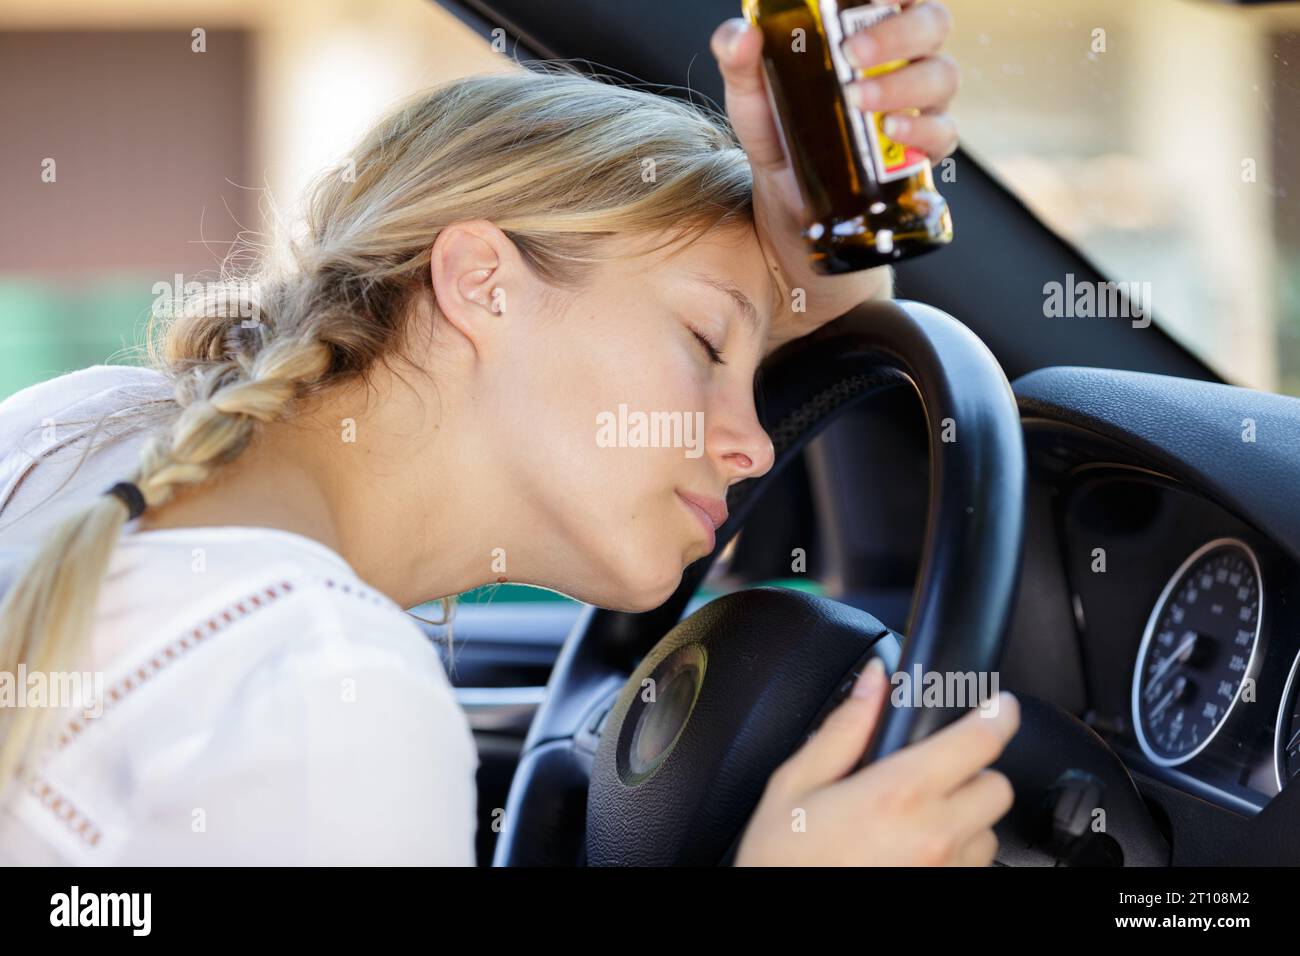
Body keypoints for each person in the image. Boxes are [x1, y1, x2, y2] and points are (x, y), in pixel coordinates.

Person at [0, 5, 1017, 865]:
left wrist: (818, 236)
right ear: (481, 281)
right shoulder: (332, 706)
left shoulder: (75, 433)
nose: (753, 446)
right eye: (708, 343)